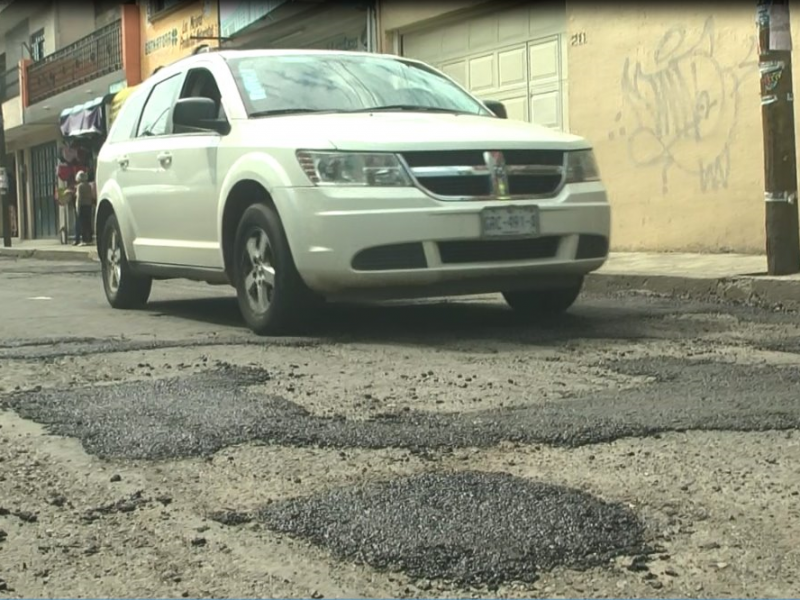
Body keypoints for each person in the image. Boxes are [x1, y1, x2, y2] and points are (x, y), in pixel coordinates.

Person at [75, 170, 94, 246]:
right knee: (88, 223)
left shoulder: (79, 186)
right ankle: (89, 239)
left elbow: (79, 198)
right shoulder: (89, 186)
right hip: (88, 205)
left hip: (82, 206)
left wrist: (77, 207)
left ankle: (83, 239)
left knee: (82, 223)